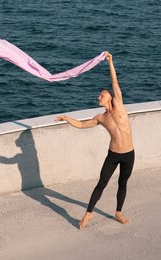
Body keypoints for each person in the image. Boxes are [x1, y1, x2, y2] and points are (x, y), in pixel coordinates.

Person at [55, 51, 135, 230]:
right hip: (113, 154)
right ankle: (88, 214)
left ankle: (118, 212)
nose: (98, 97)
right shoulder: (101, 117)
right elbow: (82, 125)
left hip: (129, 153)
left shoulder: (120, 104)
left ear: (109, 98)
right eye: (99, 96)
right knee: (102, 183)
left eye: (101, 95)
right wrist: (67, 118)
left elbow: (114, 82)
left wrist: (110, 62)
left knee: (123, 183)